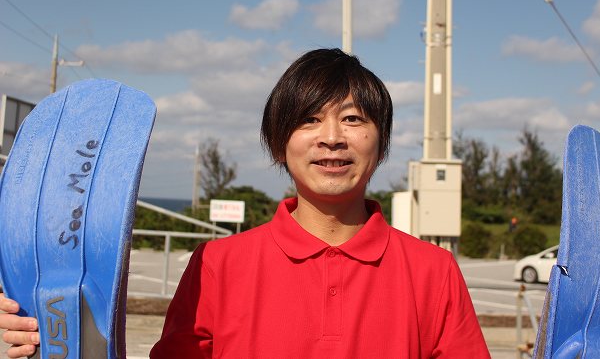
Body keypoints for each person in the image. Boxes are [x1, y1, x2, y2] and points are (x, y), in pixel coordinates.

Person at [0, 48, 489, 358]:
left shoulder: (433, 272)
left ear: (380, 144)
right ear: (279, 143)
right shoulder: (218, 265)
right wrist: (53, 338)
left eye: (354, 119)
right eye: (309, 120)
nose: (332, 138)